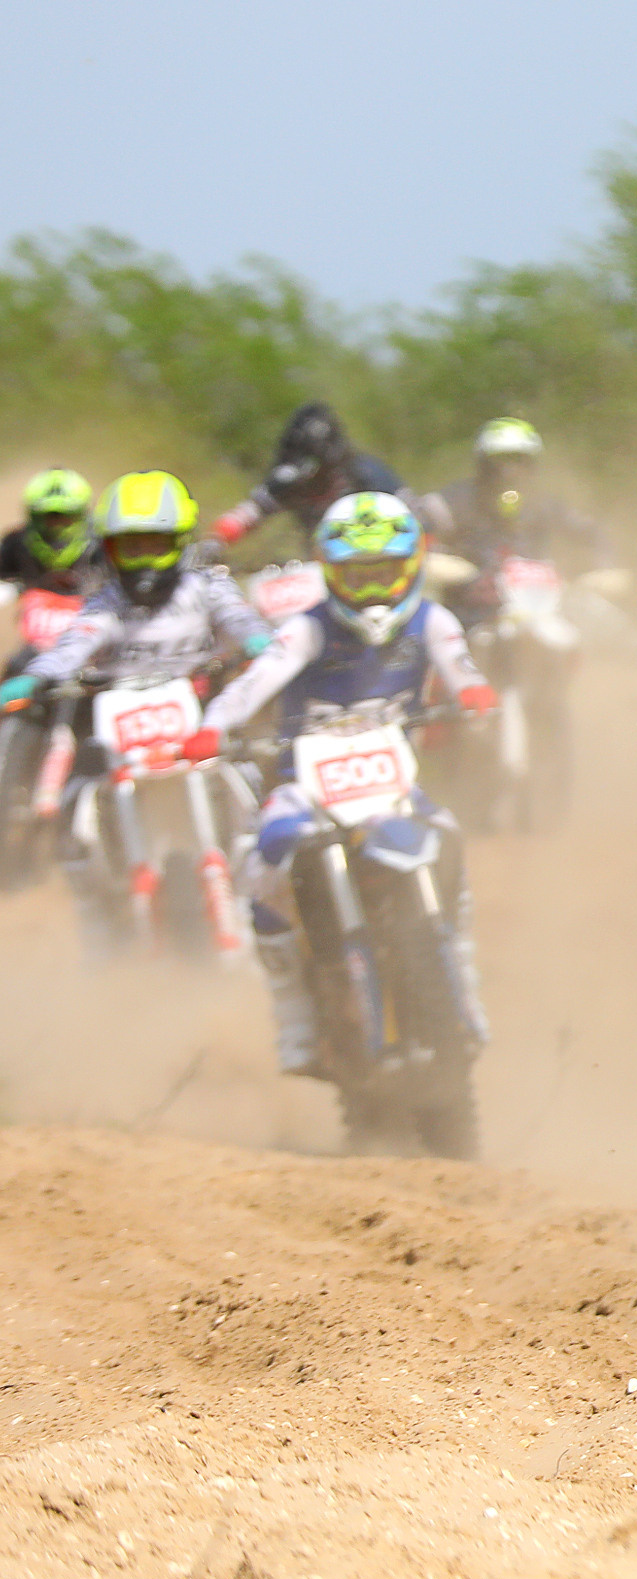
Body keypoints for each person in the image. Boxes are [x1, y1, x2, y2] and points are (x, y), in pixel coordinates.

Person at [182, 492, 498, 1077]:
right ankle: (296, 1022)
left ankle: (466, 1002)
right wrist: (211, 727)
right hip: (306, 786)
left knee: (449, 839)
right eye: (358, 574)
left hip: (392, 785)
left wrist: (475, 697)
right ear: (330, 573)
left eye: (384, 572)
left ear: (411, 566)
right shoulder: (307, 629)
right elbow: (257, 681)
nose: (373, 588)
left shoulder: (434, 619)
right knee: (264, 858)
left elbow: (462, 668)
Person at [0, 473, 269, 953]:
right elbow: (71, 645)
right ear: (109, 548)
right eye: (130, 546)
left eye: (155, 543)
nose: (143, 558)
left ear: (178, 542)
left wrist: (259, 643)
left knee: (255, 783)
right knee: (73, 806)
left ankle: (263, 902)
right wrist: (34, 678)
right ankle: (98, 933)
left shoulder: (204, 588)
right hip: (117, 723)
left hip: (195, 712)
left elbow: (243, 620)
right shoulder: (106, 602)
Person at [417, 417, 616, 620]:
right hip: (469, 606)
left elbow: (592, 534)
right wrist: (445, 565)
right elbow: (415, 531)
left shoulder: (546, 504)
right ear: (482, 464)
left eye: (518, 460)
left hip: (542, 603)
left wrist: (603, 567)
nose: (509, 471)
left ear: (532, 465)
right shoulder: (453, 502)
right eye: (499, 461)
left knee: (605, 617)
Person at [208, 403, 404, 547]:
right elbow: (249, 513)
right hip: (319, 565)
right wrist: (215, 540)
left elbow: (411, 512)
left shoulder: (363, 474)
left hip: (376, 559)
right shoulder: (288, 482)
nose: (308, 480)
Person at [0, 469, 105, 664]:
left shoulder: (103, 546)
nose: (56, 525)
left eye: (65, 517)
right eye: (49, 518)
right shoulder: (16, 543)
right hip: (36, 648)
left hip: (94, 643)